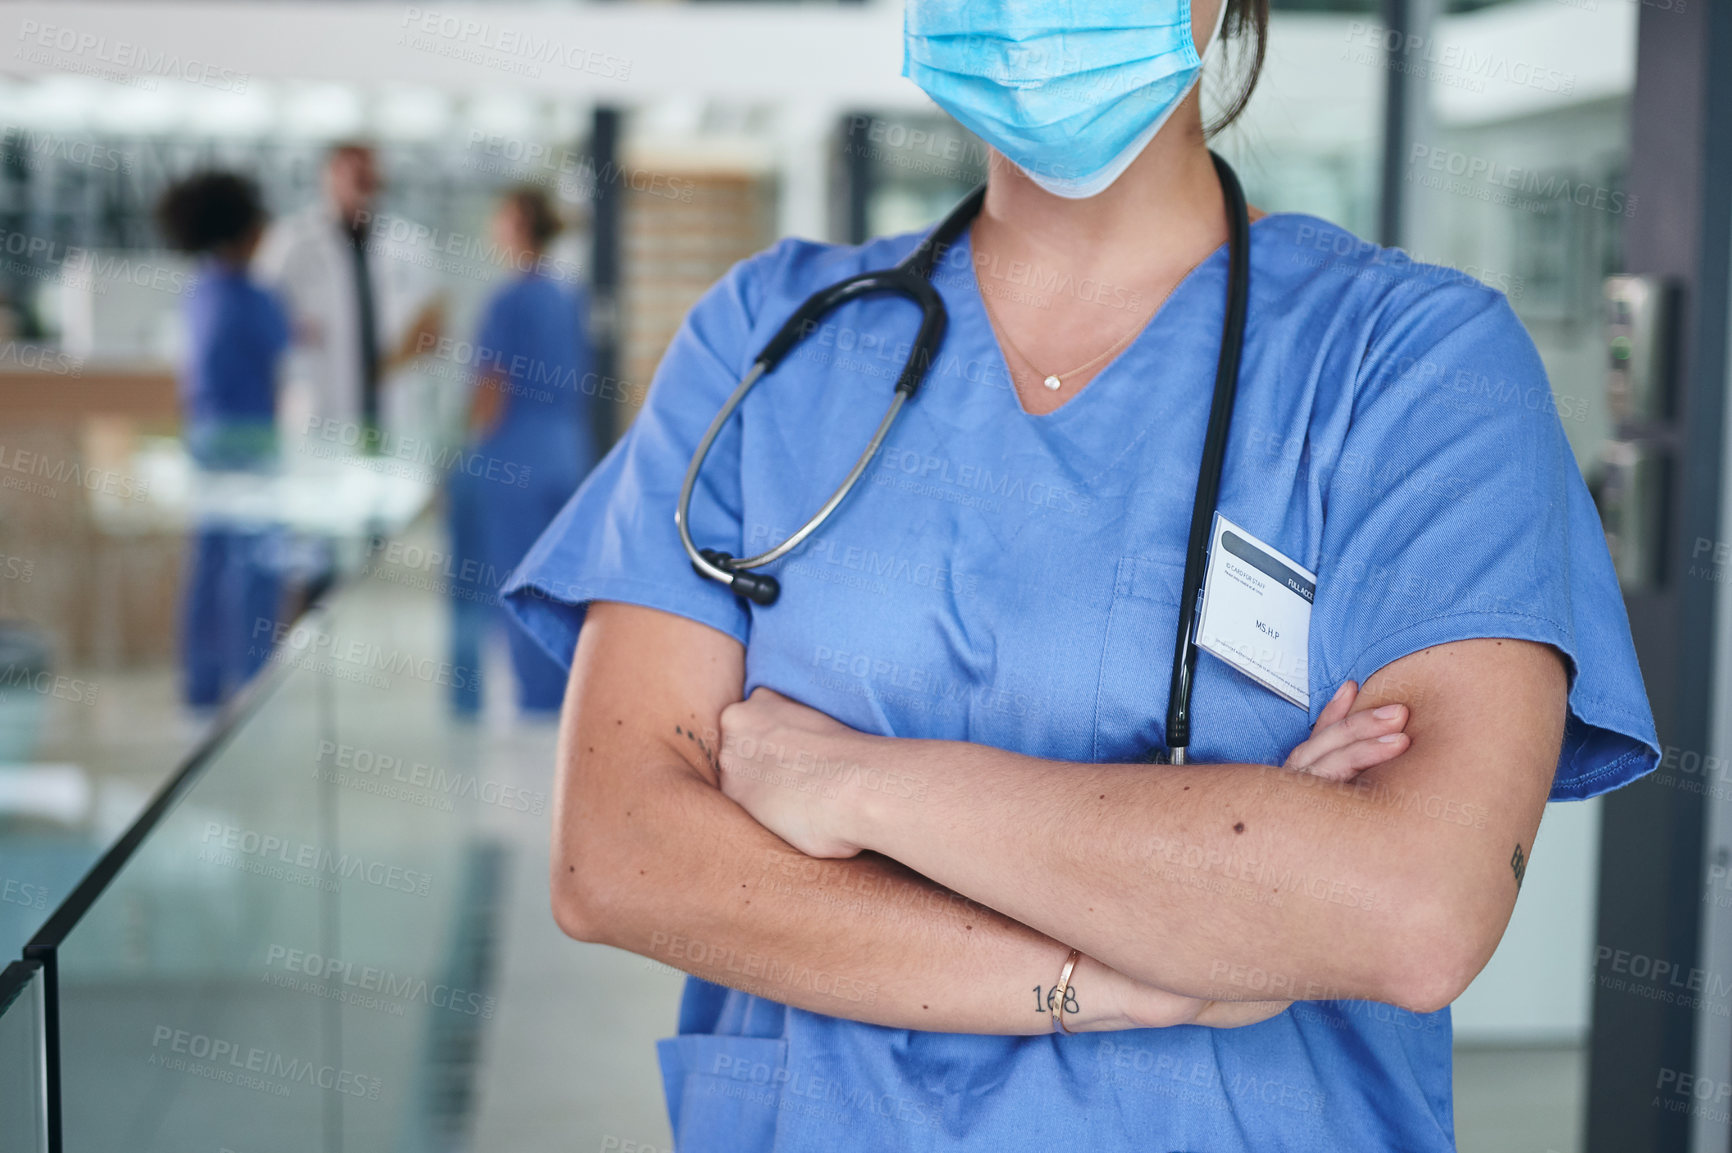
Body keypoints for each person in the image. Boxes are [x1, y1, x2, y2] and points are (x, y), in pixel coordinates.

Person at [501, 2, 1661, 1149]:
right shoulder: (771, 331)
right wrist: (1130, 974)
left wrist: (855, 785)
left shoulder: (1411, 367)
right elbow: (618, 853)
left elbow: (1410, 905)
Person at [447, 187, 597, 717]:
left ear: (518, 226)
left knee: (510, 580)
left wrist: (461, 447)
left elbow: (492, 387)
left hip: (512, 461)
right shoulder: (570, 296)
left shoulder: (506, 301)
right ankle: (559, 696)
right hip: (566, 456)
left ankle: (532, 701)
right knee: (556, 584)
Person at [157, 172, 291, 709]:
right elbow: (283, 349)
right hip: (252, 444)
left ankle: (202, 687)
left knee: (210, 566)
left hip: (207, 440)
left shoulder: (199, 293)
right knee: (257, 567)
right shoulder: (255, 298)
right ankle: (254, 684)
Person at [253, 141, 442, 446]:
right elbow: (261, 315)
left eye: (368, 172)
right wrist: (291, 330)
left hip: (393, 406)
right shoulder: (291, 241)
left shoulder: (410, 244)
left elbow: (432, 324)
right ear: (327, 176)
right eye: (351, 171)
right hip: (319, 401)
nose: (362, 180)